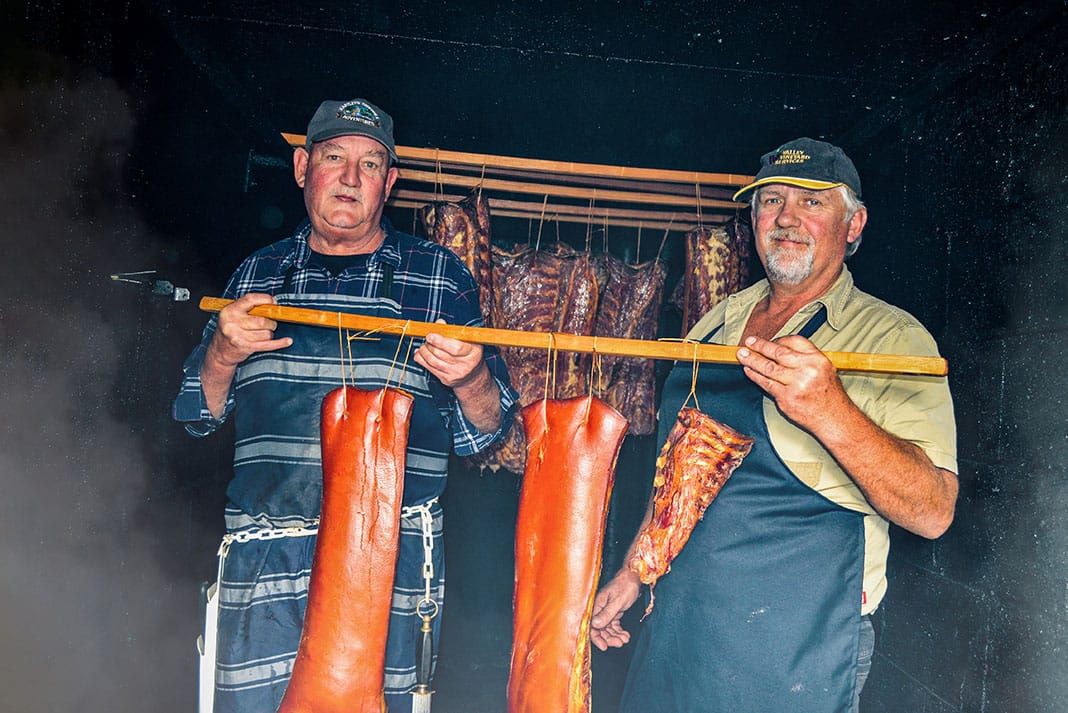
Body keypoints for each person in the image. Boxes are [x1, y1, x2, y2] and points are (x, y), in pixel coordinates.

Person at [173, 98, 518, 713]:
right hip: (265, 563)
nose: (351, 179)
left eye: (370, 164)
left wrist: (470, 381)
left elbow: (487, 435)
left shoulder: (439, 276)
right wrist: (222, 354)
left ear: (389, 183)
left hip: (389, 566)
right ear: (304, 167)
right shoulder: (260, 273)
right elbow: (197, 412)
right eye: (335, 159)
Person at [590, 137, 958, 712]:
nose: (786, 218)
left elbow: (933, 510)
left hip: (792, 649)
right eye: (770, 201)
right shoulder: (719, 318)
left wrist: (830, 409)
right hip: (680, 629)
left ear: (854, 223)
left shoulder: (892, 339)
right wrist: (636, 571)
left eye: (812, 202)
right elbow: (683, 471)